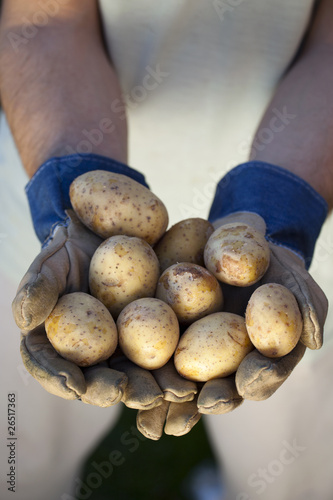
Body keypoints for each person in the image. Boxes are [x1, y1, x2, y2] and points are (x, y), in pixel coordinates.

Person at [0, 0, 333, 499]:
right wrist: (69, 177)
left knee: (290, 470)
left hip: (302, 179)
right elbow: (45, 21)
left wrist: (281, 203)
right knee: (16, 450)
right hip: (57, 176)